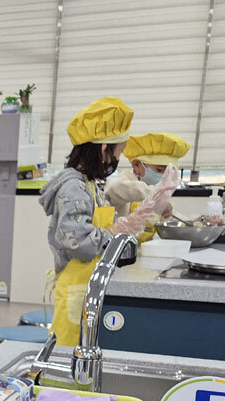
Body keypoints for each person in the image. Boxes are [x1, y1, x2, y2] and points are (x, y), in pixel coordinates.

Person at [39, 98, 173, 346]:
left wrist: (125, 225)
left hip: (86, 288)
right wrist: (117, 230)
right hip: (75, 292)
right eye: (120, 151)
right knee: (69, 362)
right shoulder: (74, 188)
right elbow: (79, 243)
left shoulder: (89, 185)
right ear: (104, 149)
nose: (119, 159)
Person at [105, 132, 190, 218]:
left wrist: (191, 222)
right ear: (136, 165)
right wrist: (156, 196)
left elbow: (168, 216)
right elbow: (115, 188)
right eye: (159, 170)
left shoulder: (152, 188)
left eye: (168, 172)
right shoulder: (123, 181)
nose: (164, 176)